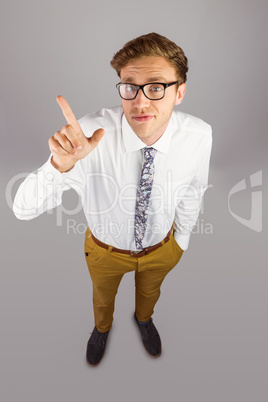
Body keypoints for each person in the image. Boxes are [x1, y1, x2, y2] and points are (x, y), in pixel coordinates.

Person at [13, 32, 212, 366]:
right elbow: (22, 210)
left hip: (162, 248)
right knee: (102, 299)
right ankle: (101, 328)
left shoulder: (199, 134)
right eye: (129, 86)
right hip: (105, 252)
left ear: (180, 92)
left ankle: (144, 320)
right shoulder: (89, 136)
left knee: (149, 295)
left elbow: (195, 188)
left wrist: (182, 240)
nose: (140, 102)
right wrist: (59, 166)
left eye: (156, 86)